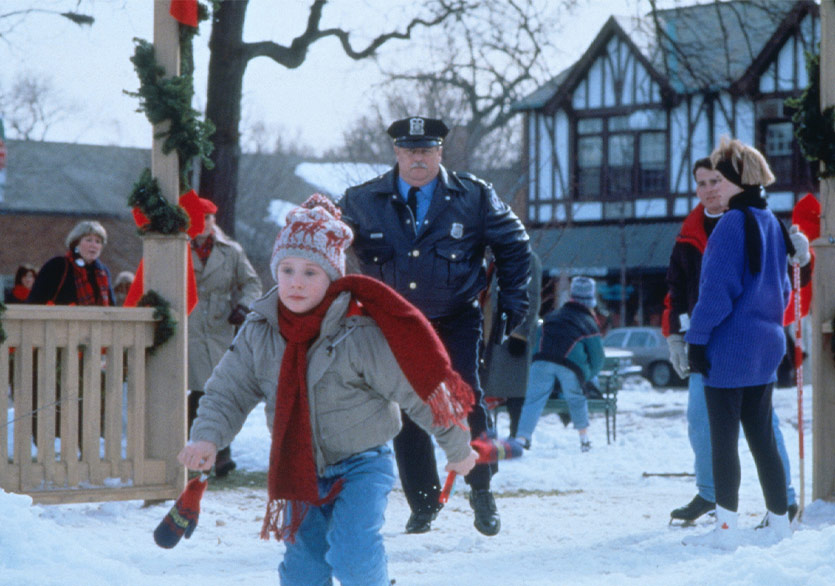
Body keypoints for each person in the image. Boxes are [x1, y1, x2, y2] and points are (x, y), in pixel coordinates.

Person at [179, 194, 478, 586]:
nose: (296, 283)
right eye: (287, 270)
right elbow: (227, 392)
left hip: (362, 463)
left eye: (310, 273)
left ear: (332, 277)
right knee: (304, 569)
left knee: (352, 554)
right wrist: (206, 437)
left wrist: (457, 447)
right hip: (298, 464)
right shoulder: (260, 329)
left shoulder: (358, 329)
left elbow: (414, 390)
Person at [339, 116, 531, 536]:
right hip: (394, 324)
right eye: (409, 150)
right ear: (396, 153)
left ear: (440, 151)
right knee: (408, 408)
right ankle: (423, 502)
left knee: (466, 402)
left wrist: (513, 300)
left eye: (426, 150)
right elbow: (325, 243)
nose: (418, 158)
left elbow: (515, 245)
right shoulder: (361, 200)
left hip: (454, 318)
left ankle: (481, 489)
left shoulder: (474, 197)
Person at [665, 159, 807, 525]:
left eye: (717, 180)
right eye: (702, 183)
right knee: (710, 426)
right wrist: (674, 336)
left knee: (745, 434)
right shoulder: (693, 230)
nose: (710, 188)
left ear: (734, 182)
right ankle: (718, 498)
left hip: (723, 344)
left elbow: (720, 292)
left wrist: (697, 338)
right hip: (742, 342)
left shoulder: (743, 221)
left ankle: (770, 507)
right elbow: (677, 290)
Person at [186, 196, 262, 477]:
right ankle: (204, 451)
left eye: (210, 218)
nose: (206, 223)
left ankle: (217, 452)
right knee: (195, 388)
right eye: (201, 217)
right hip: (188, 325)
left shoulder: (231, 251)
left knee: (215, 388)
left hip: (219, 327)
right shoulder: (178, 248)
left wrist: (244, 306)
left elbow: (252, 282)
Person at [513, 276, 604, 452]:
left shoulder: (553, 316)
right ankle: (584, 439)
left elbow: (537, 340)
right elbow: (598, 358)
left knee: (533, 400)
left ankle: (522, 438)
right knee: (577, 399)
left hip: (541, 361)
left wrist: (537, 360)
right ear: (591, 301)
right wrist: (586, 375)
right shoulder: (589, 323)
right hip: (571, 366)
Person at [481, 252, 542, 437]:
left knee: (514, 390)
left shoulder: (524, 256)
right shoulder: (494, 257)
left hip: (511, 332)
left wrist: (520, 333)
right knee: (485, 388)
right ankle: (485, 432)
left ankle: (517, 435)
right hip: (489, 332)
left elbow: (530, 296)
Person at [27, 220, 114, 306]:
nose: (93, 245)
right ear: (76, 243)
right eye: (89, 240)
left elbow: (111, 307)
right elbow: (35, 301)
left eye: (98, 241)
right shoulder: (58, 265)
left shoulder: (103, 272)